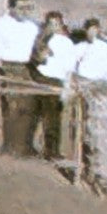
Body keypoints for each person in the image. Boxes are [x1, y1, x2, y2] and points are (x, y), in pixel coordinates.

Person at [0, 0, 41, 157]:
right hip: (9, 67)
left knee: (29, 108)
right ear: (11, 8)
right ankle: (10, 146)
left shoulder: (32, 27)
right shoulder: (1, 24)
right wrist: (0, 68)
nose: (25, 11)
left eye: (28, 8)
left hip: (28, 68)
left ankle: (25, 146)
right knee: (12, 108)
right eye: (21, 8)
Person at [31, 11, 76, 161]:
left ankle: (51, 150)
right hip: (41, 78)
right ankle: (35, 147)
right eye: (51, 24)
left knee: (53, 117)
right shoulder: (41, 40)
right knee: (38, 115)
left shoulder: (67, 43)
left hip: (56, 81)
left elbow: (69, 67)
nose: (54, 27)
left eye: (56, 24)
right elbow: (36, 59)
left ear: (61, 25)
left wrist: (67, 86)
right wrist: (41, 55)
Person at [70, 18, 107, 83]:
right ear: (86, 30)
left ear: (98, 30)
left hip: (101, 81)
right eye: (90, 29)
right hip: (84, 80)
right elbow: (72, 63)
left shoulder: (106, 48)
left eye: (94, 29)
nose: (92, 32)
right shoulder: (80, 47)